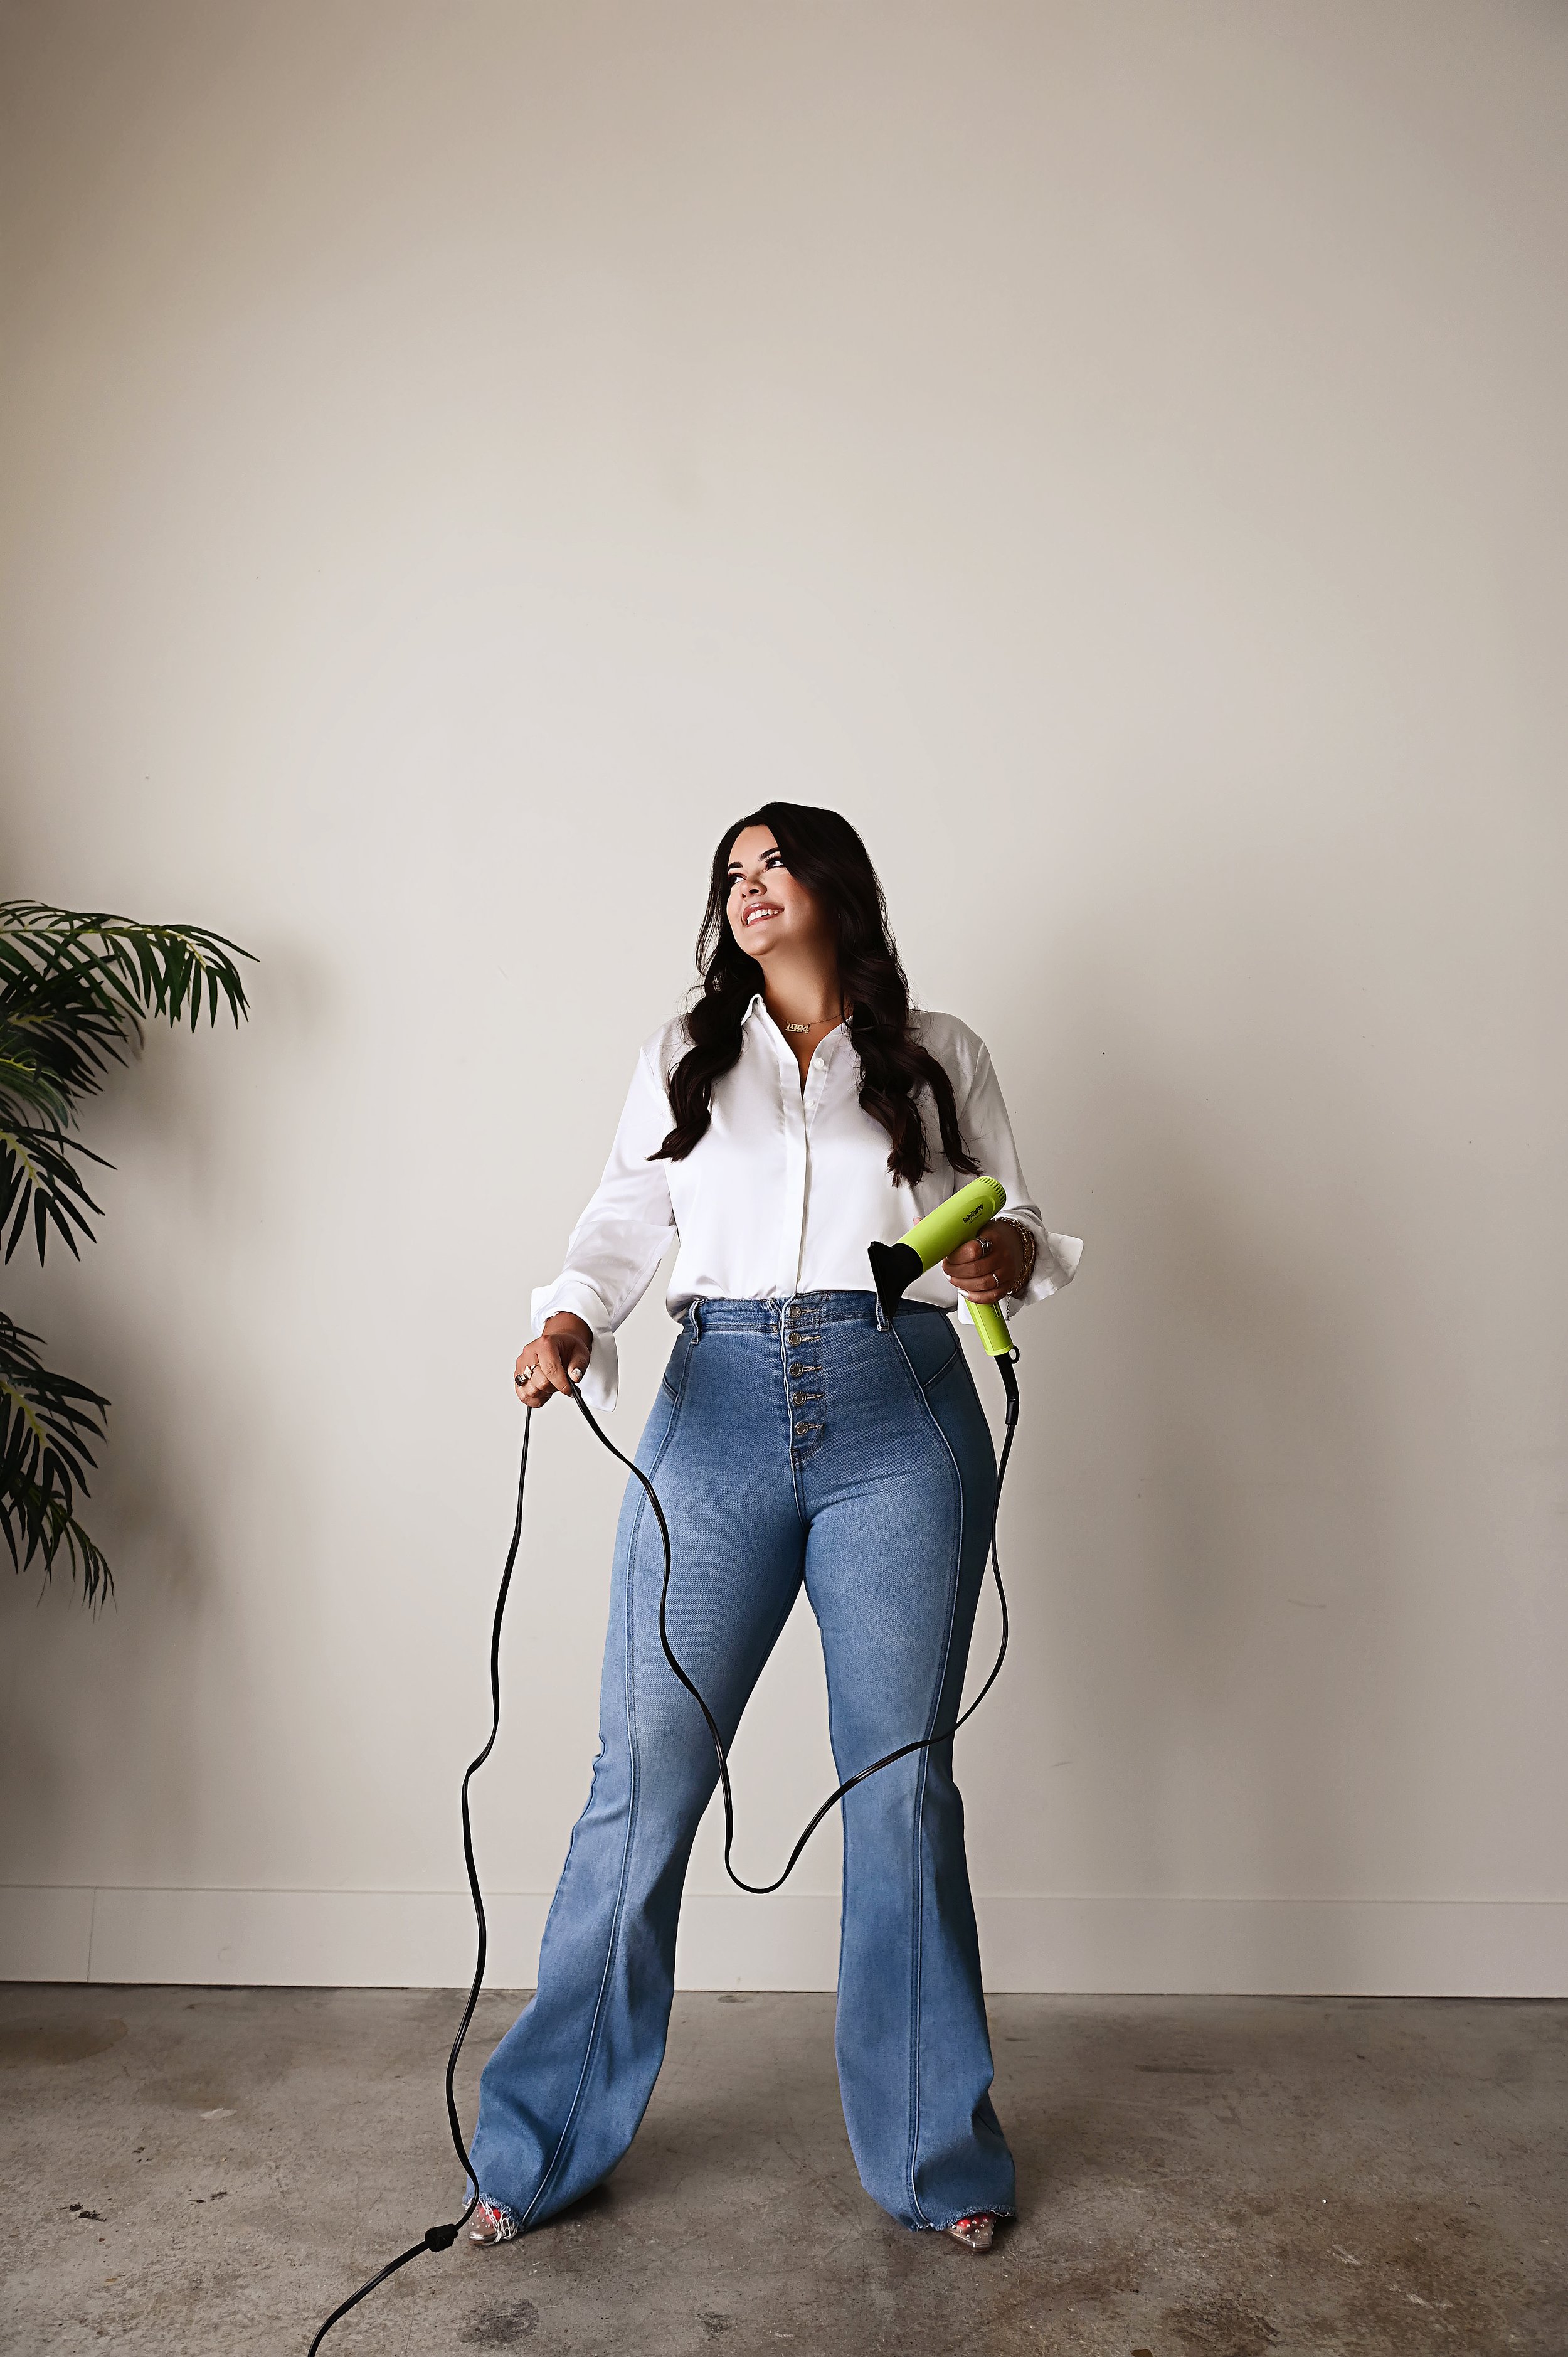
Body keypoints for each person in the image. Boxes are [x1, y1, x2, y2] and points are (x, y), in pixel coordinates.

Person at [467, 802, 1080, 2254]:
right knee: (640, 1779)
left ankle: (936, 2158)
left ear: (832, 885)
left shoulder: (937, 1050)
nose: (748, 888)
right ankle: (537, 2150)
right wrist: (569, 1319)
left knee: (899, 1788)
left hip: (901, 1407)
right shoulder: (685, 1055)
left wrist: (999, 1250)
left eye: (773, 864)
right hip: (717, 1404)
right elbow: (624, 1217)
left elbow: (1005, 1216)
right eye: (730, 873)